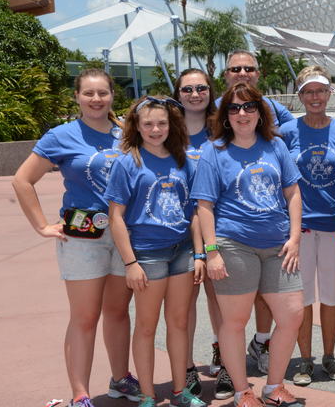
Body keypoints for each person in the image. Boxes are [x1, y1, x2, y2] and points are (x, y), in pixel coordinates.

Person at [12, 69, 137, 407]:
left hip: (124, 235)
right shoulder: (62, 135)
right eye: (89, 94)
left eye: (102, 93)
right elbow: (23, 180)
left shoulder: (126, 133)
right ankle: (80, 394)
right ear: (77, 97)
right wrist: (41, 226)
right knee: (84, 317)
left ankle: (120, 378)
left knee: (118, 312)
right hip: (82, 237)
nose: (96, 99)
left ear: (112, 95)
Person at [192, 83, 305, 407]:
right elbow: (204, 205)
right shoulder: (215, 151)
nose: (242, 113)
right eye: (234, 108)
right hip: (234, 243)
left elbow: (293, 192)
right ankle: (242, 391)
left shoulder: (275, 146)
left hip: (278, 246)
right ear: (226, 115)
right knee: (235, 322)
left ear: (260, 111)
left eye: (249, 106)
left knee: (292, 315)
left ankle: (273, 387)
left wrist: (295, 237)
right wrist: (211, 252)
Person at [106, 95, 206, 407]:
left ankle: (180, 391)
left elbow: (194, 212)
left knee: (178, 324)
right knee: (147, 327)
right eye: (148, 123)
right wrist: (131, 262)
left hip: (182, 253)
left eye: (161, 123)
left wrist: (200, 253)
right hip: (147, 255)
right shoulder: (128, 162)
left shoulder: (182, 161)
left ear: (171, 125)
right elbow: (116, 217)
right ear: (136, 126)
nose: (155, 129)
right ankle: (148, 395)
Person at [218, 49, 294, 373]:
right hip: (228, 227)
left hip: (271, 228)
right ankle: (224, 362)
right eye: (236, 68)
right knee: (226, 307)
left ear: (258, 73)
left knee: (273, 300)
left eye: (249, 68)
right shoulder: (217, 113)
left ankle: (261, 341)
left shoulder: (277, 115)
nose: (243, 73)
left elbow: (292, 150)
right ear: (226, 74)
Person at [279, 66, 335, 387]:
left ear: (329, 93)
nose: (315, 97)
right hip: (300, 228)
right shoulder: (288, 132)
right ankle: (305, 358)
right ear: (300, 96)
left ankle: (329, 355)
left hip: (334, 226)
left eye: (320, 90)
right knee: (303, 297)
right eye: (308, 91)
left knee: (332, 295)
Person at [172, 69, 234, 400]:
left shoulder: (222, 129)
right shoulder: (166, 129)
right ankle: (187, 369)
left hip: (215, 230)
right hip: (176, 231)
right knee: (183, 308)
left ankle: (226, 364)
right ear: (177, 93)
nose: (195, 94)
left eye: (201, 88)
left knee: (220, 303)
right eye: (187, 89)